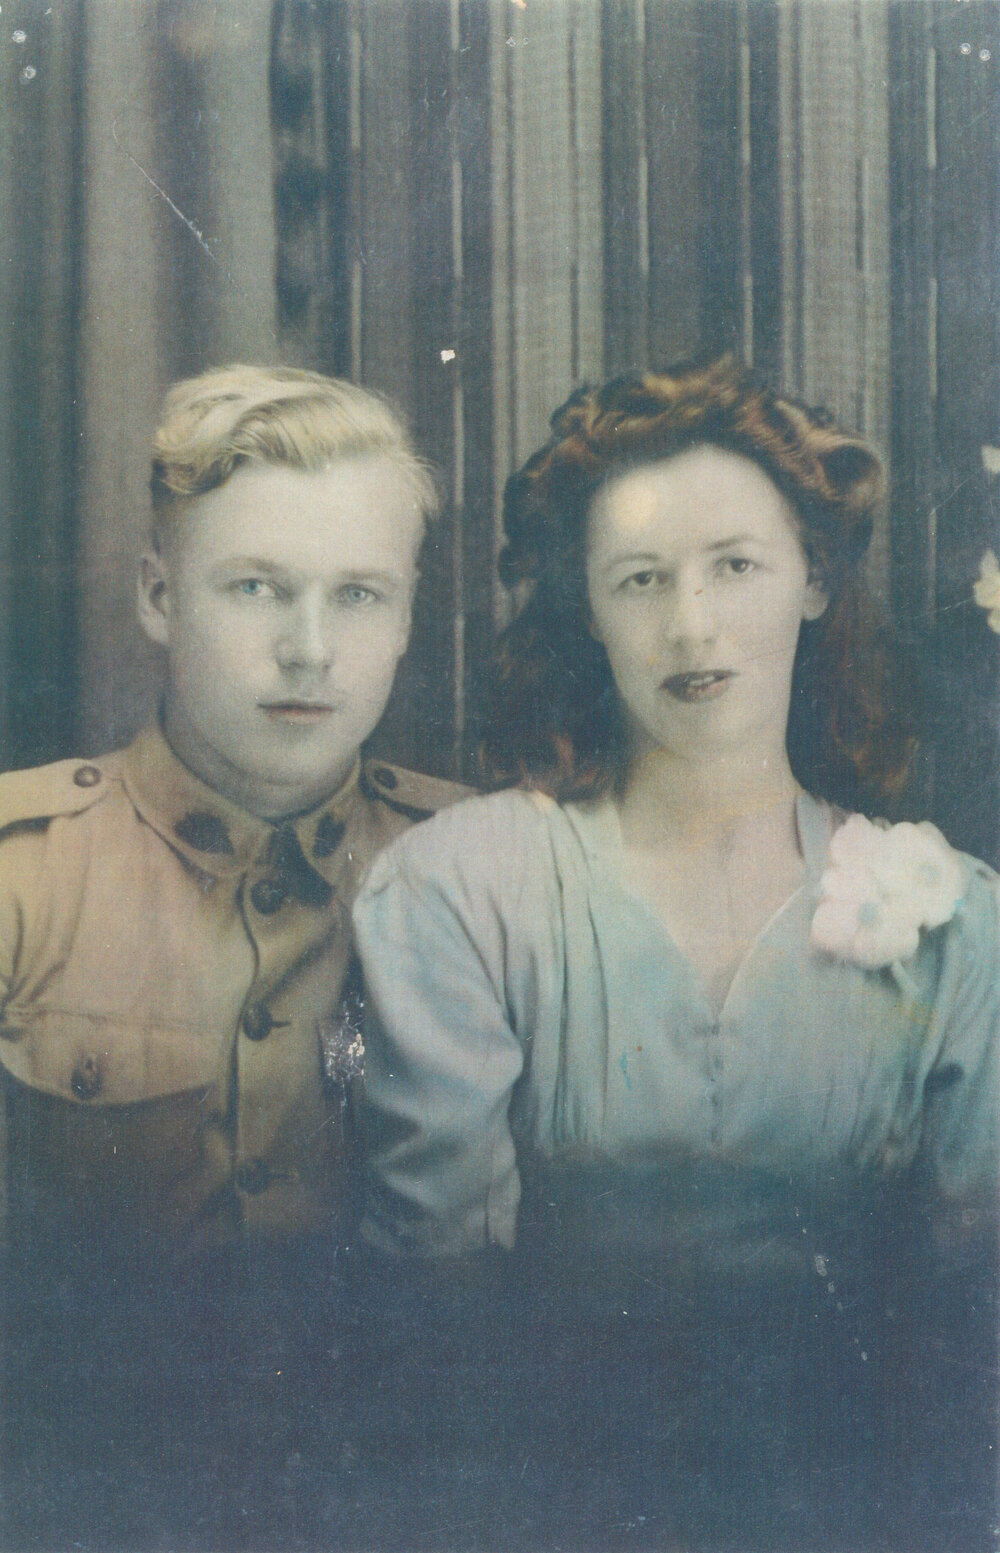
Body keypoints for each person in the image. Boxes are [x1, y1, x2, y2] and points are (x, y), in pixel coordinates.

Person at [353, 357, 1000, 1549]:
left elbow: (975, 1332)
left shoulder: (956, 924)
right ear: (585, 609)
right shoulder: (467, 886)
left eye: (734, 567)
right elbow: (432, 1315)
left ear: (811, 577)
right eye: (639, 580)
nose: (690, 624)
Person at [0, 364, 467, 1546]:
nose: (308, 648)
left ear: (410, 616)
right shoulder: (23, 875)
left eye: (358, 595)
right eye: (255, 586)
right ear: (159, 595)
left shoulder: (485, 876)